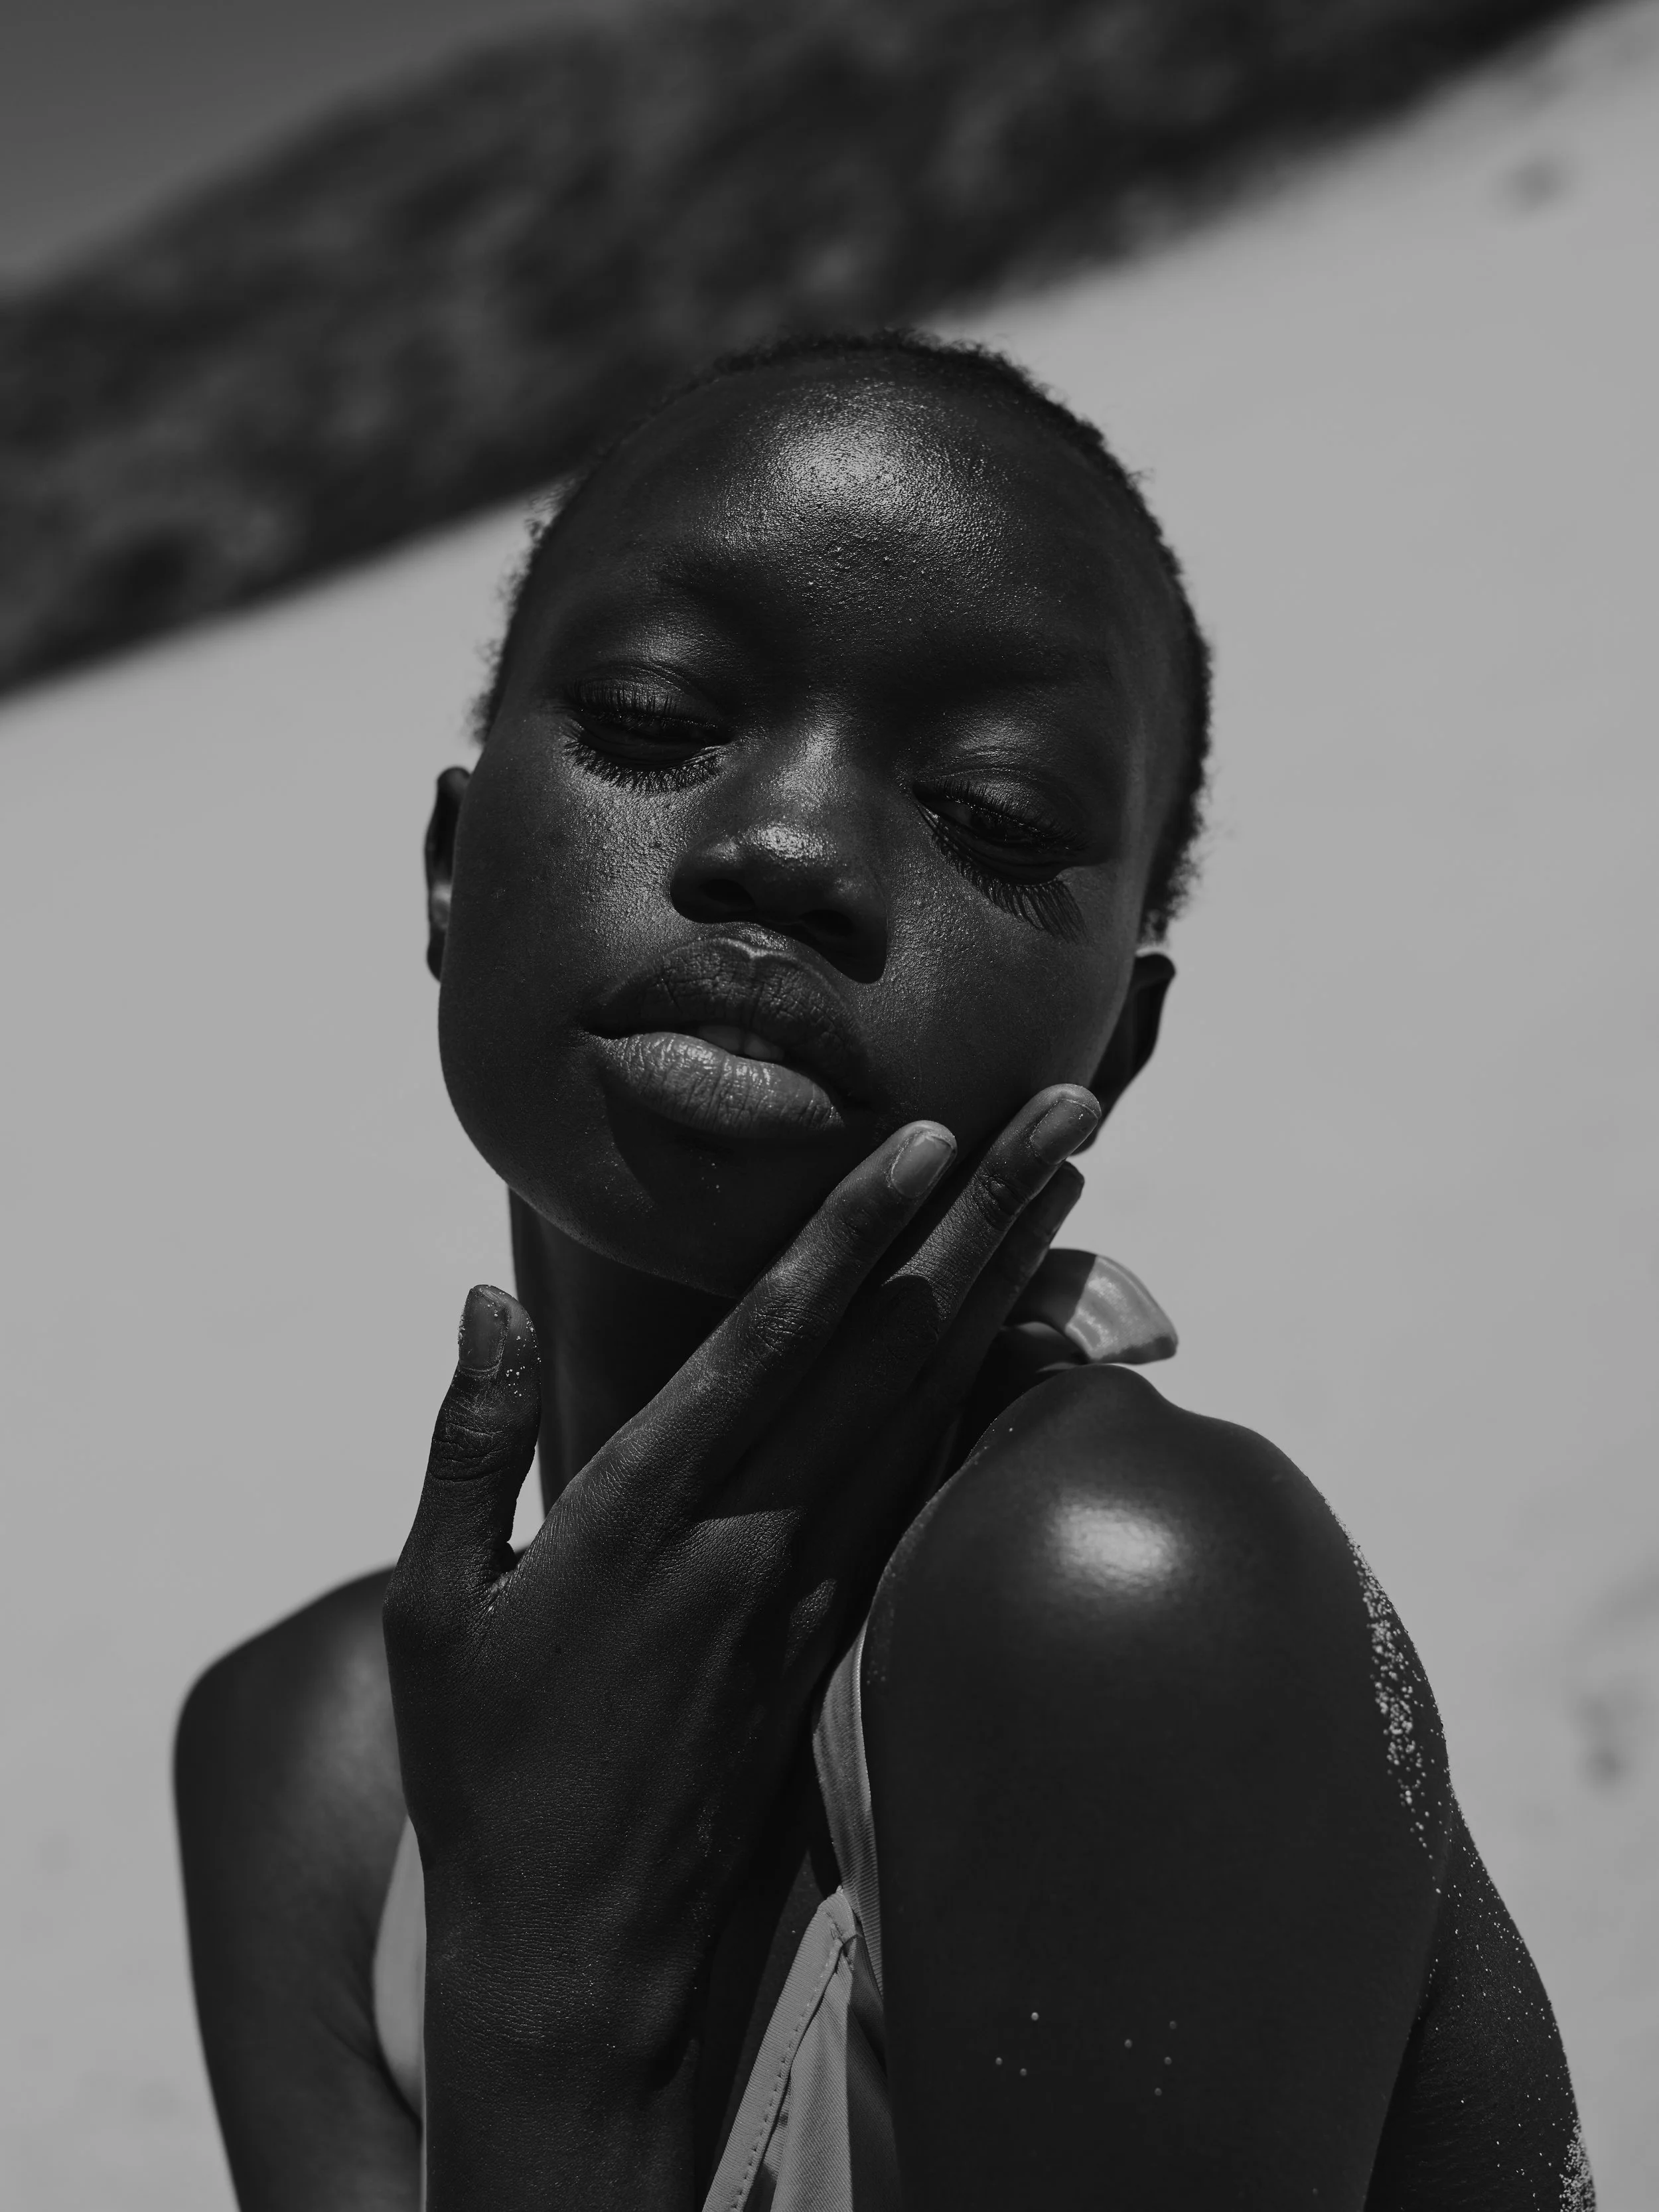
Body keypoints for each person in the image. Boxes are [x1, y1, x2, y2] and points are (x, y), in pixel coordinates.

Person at [174, 331, 1591, 2211]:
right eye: (659, 718)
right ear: (451, 870)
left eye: (991, 815)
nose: (788, 847)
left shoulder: (1112, 1599)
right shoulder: (315, 1775)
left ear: (1114, 1053)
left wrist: (553, 2004)